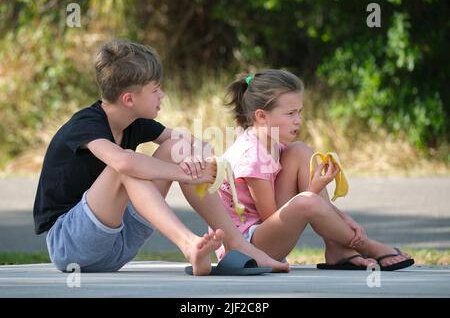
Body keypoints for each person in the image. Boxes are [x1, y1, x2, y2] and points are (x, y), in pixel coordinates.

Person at [32, 39, 289, 275]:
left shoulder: (136, 122)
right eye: (156, 89)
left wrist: (199, 157)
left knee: (176, 146)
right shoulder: (85, 125)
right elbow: (124, 163)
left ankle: (238, 245)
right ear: (129, 99)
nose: (162, 95)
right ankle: (189, 245)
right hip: (71, 244)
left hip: (119, 243)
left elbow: (192, 142)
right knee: (125, 165)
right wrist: (183, 173)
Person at [216, 69, 414, 270]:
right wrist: (312, 190)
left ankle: (336, 247)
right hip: (246, 249)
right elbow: (275, 217)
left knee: (299, 151)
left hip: (263, 234)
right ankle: (369, 246)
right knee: (306, 200)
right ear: (261, 116)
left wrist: (341, 217)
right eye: (290, 113)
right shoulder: (253, 156)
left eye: (299, 112)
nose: (298, 120)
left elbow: (293, 209)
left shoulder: (271, 144)